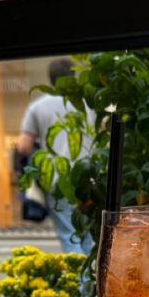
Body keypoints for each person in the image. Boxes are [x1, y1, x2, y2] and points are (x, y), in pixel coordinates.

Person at [17, 58, 93, 253]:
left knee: (70, 235)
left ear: (51, 79)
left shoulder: (38, 106)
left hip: (58, 179)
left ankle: (79, 283)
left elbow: (24, 146)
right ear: (74, 76)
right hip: (90, 177)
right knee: (91, 236)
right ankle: (94, 282)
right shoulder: (90, 103)